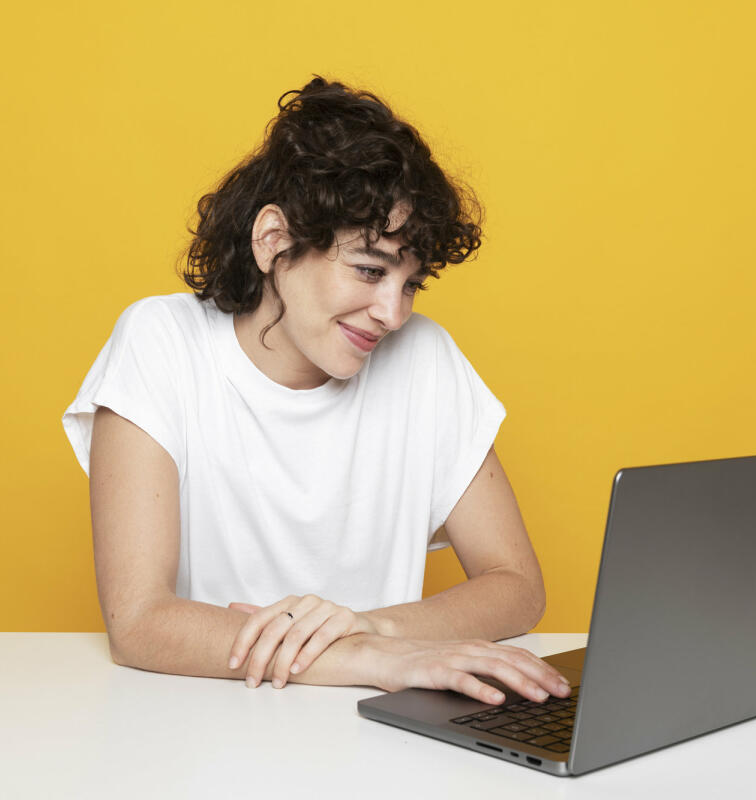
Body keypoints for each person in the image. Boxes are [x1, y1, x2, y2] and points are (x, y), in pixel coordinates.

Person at [62, 76, 571, 706]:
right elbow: (138, 623)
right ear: (274, 240)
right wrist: (361, 655)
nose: (394, 313)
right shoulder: (160, 343)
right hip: (201, 729)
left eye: (411, 283)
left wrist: (375, 626)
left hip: (384, 732)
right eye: (370, 269)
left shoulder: (425, 359)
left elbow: (517, 585)